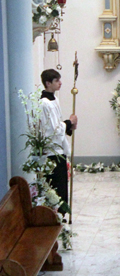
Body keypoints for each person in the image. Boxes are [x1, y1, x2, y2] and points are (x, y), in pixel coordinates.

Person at [40, 69, 76, 213]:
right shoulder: (44, 104)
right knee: (56, 186)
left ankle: (62, 214)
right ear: (48, 83)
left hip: (59, 149)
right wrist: (68, 122)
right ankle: (56, 215)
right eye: (57, 81)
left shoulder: (54, 99)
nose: (60, 83)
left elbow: (58, 125)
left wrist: (69, 126)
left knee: (62, 185)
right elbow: (52, 130)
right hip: (51, 152)